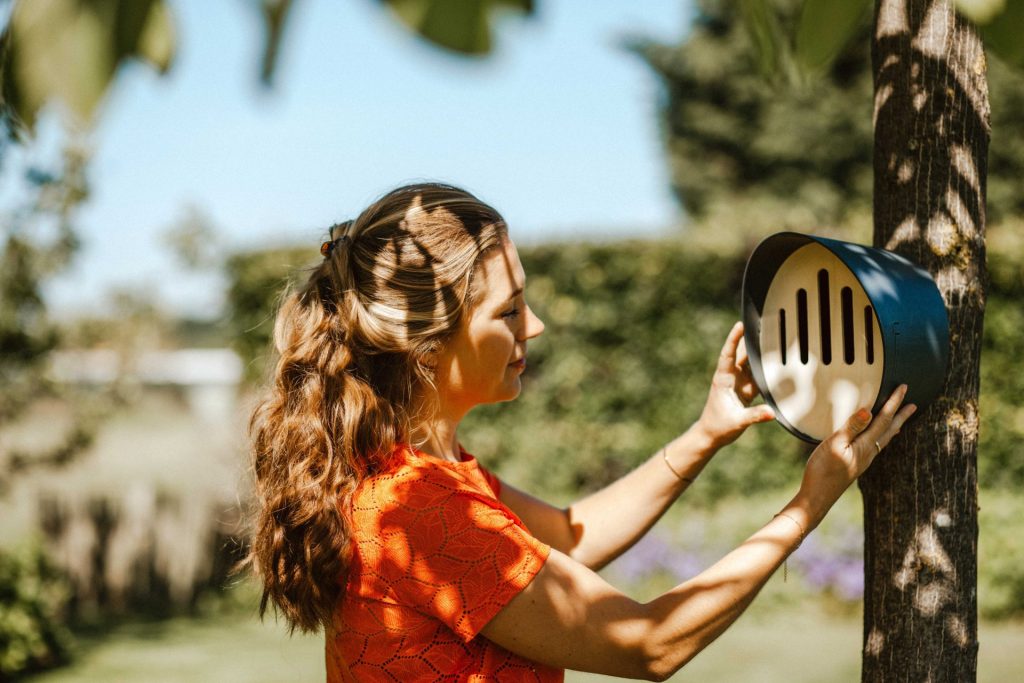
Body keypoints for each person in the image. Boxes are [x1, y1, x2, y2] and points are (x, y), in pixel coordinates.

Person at [245, 183, 914, 682]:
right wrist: (808, 506)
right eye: (508, 310)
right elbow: (649, 642)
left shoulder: (414, 469)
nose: (533, 327)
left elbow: (565, 538)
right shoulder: (420, 510)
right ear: (427, 347)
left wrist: (703, 435)